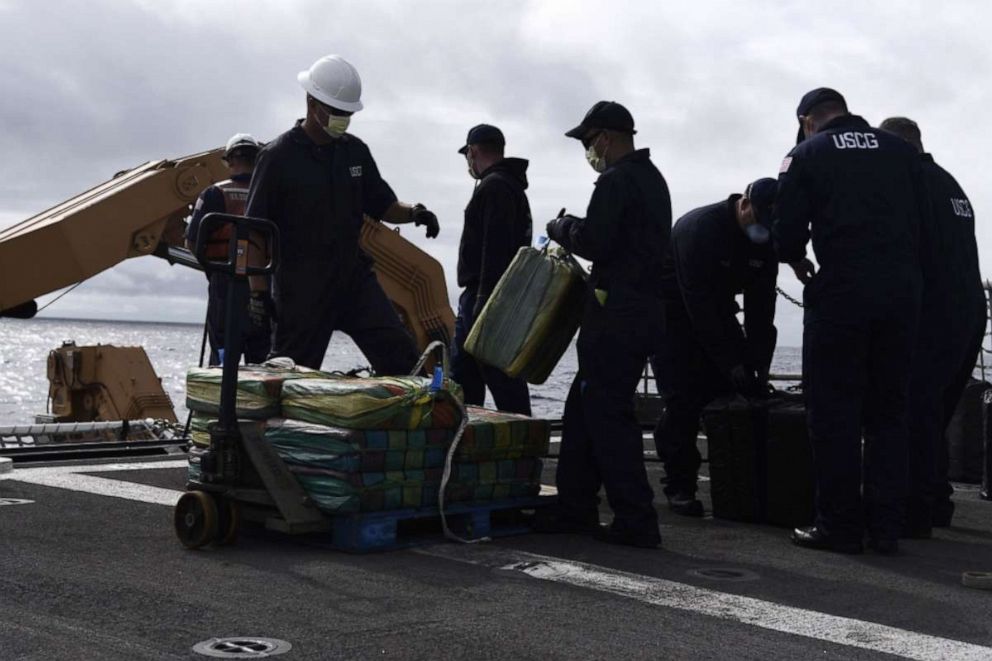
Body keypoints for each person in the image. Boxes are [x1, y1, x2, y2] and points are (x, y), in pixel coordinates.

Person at [775, 88, 931, 555]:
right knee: (888, 413)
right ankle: (885, 527)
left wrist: (797, 261)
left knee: (834, 411)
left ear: (807, 120)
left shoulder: (805, 153)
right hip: (902, 293)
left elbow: (786, 230)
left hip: (843, 291)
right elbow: (925, 223)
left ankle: (839, 525)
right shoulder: (902, 151)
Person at [245, 54, 440, 372]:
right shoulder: (278, 157)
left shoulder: (355, 151)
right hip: (301, 287)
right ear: (311, 102)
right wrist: (257, 293)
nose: (343, 119)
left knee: (401, 357)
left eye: (348, 113)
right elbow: (255, 232)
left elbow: (384, 204)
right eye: (336, 112)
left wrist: (415, 212)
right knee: (292, 371)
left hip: (353, 279)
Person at [543, 101, 672, 548]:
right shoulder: (652, 180)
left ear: (606, 137)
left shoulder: (617, 180)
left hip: (615, 315)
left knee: (608, 416)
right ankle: (574, 507)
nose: (587, 150)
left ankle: (635, 518)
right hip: (640, 313)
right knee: (581, 411)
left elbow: (595, 240)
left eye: (587, 141)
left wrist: (561, 227)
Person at [879, 116, 987, 534]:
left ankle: (917, 508)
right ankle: (935, 501)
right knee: (934, 411)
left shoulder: (909, 183)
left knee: (914, 409)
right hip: (969, 310)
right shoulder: (951, 184)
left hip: (934, 311)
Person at [653, 178, 779, 517]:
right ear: (744, 204)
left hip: (720, 312)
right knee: (683, 400)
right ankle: (680, 486)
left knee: (741, 393)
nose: (762, 231)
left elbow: (761, 309)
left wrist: (757, 364)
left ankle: (743, 486)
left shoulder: (765, 239)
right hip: (672, 313)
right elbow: (699, 305)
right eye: (759, 221)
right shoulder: (700, 229)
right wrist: (730, 361)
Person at [451, 124, 533, 415]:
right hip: (500, 296)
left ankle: (514, 440)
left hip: (484, 297)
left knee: (490, 376)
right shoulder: (512, 187)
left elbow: (493, 249)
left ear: (473, 152)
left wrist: (484, 305)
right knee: (471, 373)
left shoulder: (494, 187)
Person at [186, 133, 271, 365]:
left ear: (229, 161)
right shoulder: (271, 195)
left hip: (224, 285)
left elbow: (192, 242)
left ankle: (222, 397)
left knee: (222, 359)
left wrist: (213, 270)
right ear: (257, 160)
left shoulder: (214, 193)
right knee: (262, 360)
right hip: (263, 289)